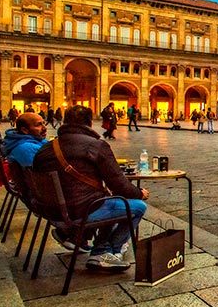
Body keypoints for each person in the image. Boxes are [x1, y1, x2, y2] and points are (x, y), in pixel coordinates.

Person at [32, 105, 149, 271]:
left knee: (106, 199)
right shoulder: (95, 146)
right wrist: (139, 193)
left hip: (51, 212)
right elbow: (119, 185)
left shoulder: (45, 148)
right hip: (79, 211)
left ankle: (83, 240)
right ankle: (104, 252)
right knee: (137, 207)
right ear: (90, 123)